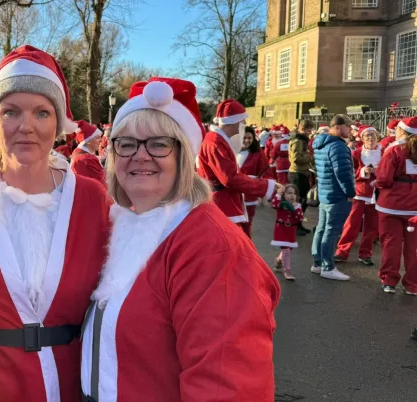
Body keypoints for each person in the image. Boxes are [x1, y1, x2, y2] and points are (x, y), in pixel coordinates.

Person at [80, 78, 280, 401]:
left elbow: (226, 388)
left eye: (159, 143)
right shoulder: (124, 225)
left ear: (184, 156)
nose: (140, 155)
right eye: (127, 143)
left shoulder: (210, 247)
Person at [0, 45, 110, 401]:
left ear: (59, 124)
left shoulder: (93, 199)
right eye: (10, 112)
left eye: (42, 113)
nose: (26, 127)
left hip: (67, 383)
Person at [197, 99, 278, 224]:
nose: (244, 123)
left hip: (221, 202)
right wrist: (266, 186)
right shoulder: (215, 142)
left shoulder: (216, 140)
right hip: (221, 204)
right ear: (233, 121)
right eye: (242, 121)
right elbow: (229, 178)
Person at [311, 114, 356, 281]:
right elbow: (343, 174)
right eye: (348, 127)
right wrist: (351, 193)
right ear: (337, 127)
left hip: (325, 192)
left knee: (322, 228)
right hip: (337, 195)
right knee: (331, 231)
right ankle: (327, 266)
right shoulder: (338, 146)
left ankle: (317, 262)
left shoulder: (321, 143)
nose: (350, 130)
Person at [375, 117, 417, 294]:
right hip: (414, 205)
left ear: (402, 131)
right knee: (413, 248)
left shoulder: (394, 150)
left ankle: (389, 281)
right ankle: (413, 284)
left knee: (391, 244)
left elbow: (384, 179)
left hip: (391, 204)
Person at [334, 125, 380, 266]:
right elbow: (349, 173)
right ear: (362, 138)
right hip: (359, 193)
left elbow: (391, 171)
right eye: (367, 135)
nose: (371, 138)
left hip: (378, 194)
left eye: (373, 135)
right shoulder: (356, 153)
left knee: (372, 226)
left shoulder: (384, 152)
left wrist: (379, 171)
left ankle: (366, 253)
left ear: (377, 136)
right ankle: (342, 251)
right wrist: (362, 171)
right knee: (352, 224)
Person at [238, 126, 268, 237]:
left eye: (249, 138)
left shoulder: (258, 154)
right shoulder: (231, 150)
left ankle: (246, 251)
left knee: (246, 226)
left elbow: (265, 173)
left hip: (250, 196)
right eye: (244, 137)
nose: (246, 141)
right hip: (233, 197)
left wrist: (262, 192)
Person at [271, 184, 304, 281]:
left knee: (288, 250)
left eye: (294, 193)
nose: (292, 195)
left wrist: (296, 208)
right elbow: (274, 204)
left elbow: (300, 218)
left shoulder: (297, 206)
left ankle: (278, 260)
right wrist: (278, 194)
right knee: (286, 251)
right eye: (289, 193)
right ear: (283, 194)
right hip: (281, 230)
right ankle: (287, 271)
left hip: (291, 231)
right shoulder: (281, 204)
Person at [288, 120, 314, 236]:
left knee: (302, 200)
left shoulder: (301, 140)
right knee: (298, 200)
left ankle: (298, 223)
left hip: (302, 172)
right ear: (303, 129)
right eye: (309, 130)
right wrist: (311, 158)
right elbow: (296, 158)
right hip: (297, 173)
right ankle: (294, 225)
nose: (310, 133)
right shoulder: (298, 141)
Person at [70, 119, 105, 186]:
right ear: (89, 140)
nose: (101, 140)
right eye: (97, 138)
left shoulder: (78, 152)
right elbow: (102, 185)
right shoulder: (87, 159)